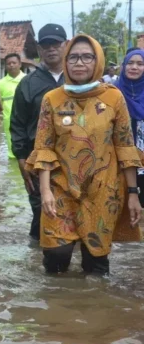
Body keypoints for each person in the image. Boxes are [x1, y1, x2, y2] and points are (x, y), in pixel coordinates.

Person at [25, 34, 142, 276]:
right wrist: (45, 191)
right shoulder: (52, 99)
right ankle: (57, 307)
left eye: (87, 57)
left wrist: (133, 194)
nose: (80, 63)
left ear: (97, 61)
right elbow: (44, 147)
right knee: (57, 255)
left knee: (96, 261)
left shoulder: (113, 97)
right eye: (74, 57)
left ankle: (94, 309)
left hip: (103, 187)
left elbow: (125, 146)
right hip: (60, 186)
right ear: (66, 62)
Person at [10, 23, 67, 241]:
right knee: (41, 213)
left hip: (71, 159)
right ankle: (39, 259)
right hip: (37, 160)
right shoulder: (28, 83)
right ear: (40, 49)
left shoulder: (77, 80)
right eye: (46, 45)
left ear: (65, 45)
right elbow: (17, 124)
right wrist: (22, 159)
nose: (51, 49)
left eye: (56, 43)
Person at [115, 48, 144, 203]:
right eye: (130, 63)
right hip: (119, 162)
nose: (134, 67)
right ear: (124, 66)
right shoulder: (113, 92)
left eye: (140, 64)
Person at [0, 53, 26, 159]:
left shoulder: (28, 80)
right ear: (5, 66)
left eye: (14, 63)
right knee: (13, 153)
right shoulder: (0, 84)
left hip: (28, 122)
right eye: (8, 63)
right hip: (9, 123)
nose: (11, 65)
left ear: (20, 64)